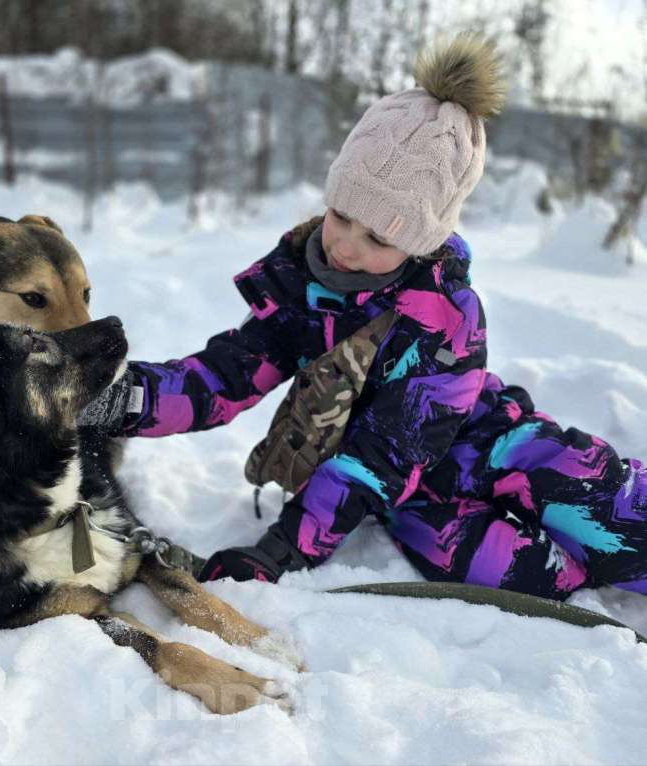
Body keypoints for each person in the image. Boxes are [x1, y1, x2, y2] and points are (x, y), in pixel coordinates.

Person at [80, 33, 647, 600]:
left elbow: (391, 447)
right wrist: (118, 396)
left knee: (602, 506)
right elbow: (220, 379)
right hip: (407, 494)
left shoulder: (444, 314)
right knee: (519, 576)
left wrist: (283, 549)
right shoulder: (300, 287)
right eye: (342, 215)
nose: (346, 246)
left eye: (378, 236)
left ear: (422, 243)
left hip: (486, 443)